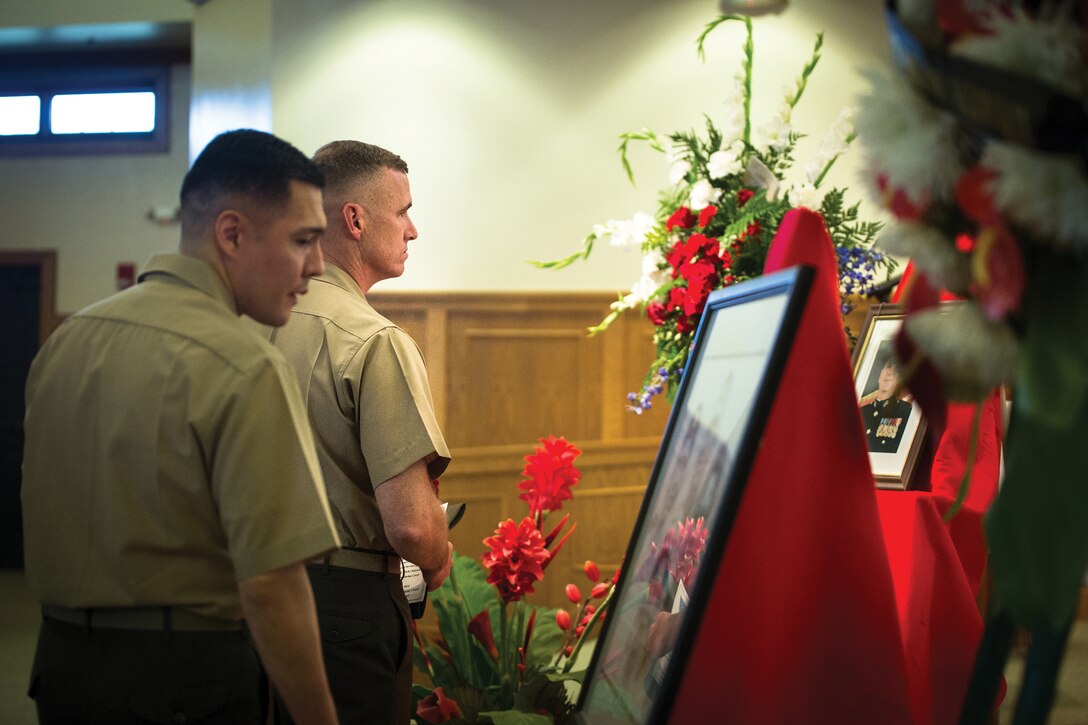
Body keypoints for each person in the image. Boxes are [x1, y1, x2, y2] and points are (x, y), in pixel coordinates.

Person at [22, 129, 342, 725]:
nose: (317, 266)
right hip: (185, 681)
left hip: (60, 668)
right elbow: (271, 582)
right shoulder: (244, 363)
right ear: (231, 234)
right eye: (303, 240)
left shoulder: (65, 341)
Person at [269, 140, 453, 725]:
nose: (413, 229)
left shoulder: (250, 324)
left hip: (244, 594)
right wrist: (439, 551)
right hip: (342, 610)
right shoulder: (375, 341)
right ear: (354, 219)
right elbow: (411, 526)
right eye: (402, 211)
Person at [859, 357, 914, 452]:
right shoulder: (861, 410)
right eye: (888, 367)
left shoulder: (905, 410)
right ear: (879, 377)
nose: (889, 373)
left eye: (895, 371)